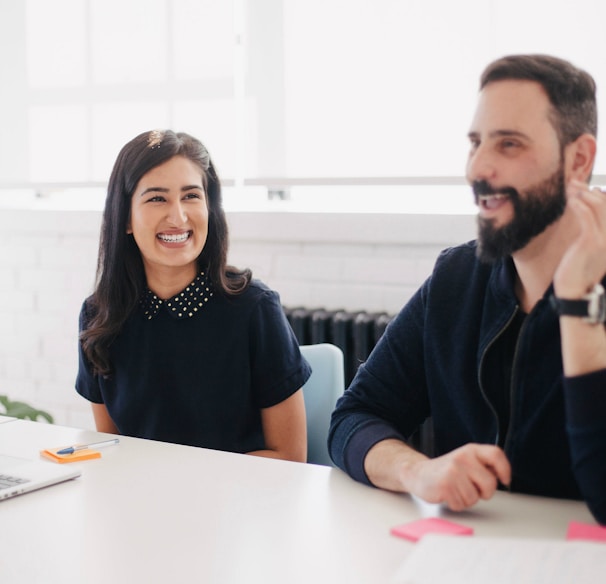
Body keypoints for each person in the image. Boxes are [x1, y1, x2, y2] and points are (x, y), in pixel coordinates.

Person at [328, 54, 606, 524]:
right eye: (476, 143)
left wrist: (580, 305)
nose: (479, 168)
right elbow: (352, 418)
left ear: (578, 159)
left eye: (509, 145)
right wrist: (418, 471)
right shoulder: (457, 278)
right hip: (469, 558)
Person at [76, 129, 310, 462]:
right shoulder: (99, 315)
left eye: (191, 196)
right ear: (126, 217)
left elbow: (289, 456)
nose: (178, 217)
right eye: (157, 198)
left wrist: (184, 486)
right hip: (141, 501)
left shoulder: (254, 309)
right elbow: (113, 449)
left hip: (241, 503)